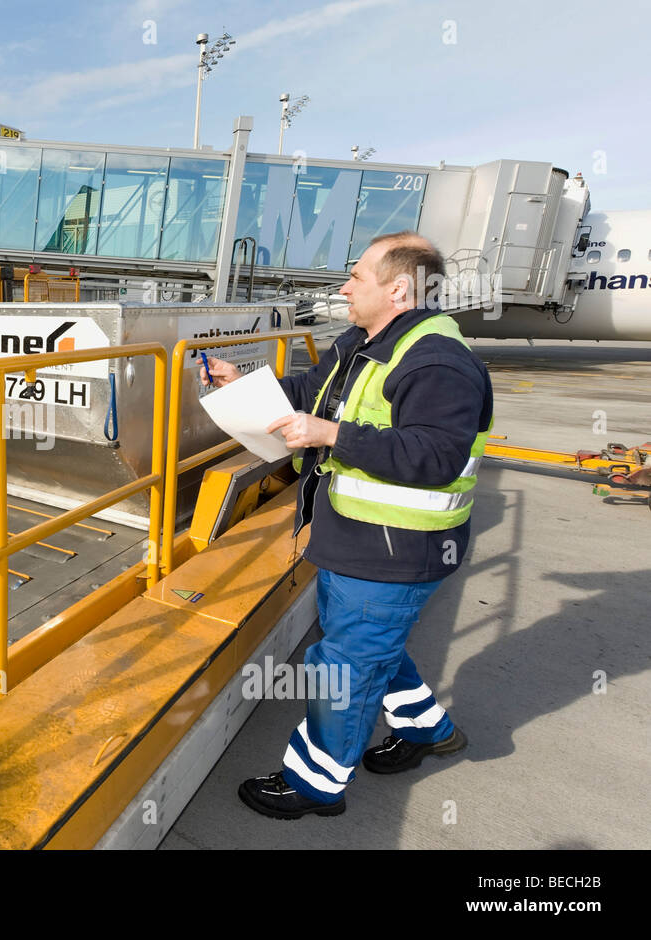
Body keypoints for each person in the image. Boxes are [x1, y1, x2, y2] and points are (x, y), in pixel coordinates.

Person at [202, 231, 493, 819]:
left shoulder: (438, 362)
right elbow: (314, 393)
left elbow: (435, 455)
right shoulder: (363, 341)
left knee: (344, 669)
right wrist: (245, 385)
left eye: (356, 277)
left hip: (397, 549)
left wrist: (333, 435)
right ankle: (427, 729)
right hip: (356, 538)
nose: (344, 287)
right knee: (368, 649)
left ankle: (315, 785)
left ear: (399, 289)